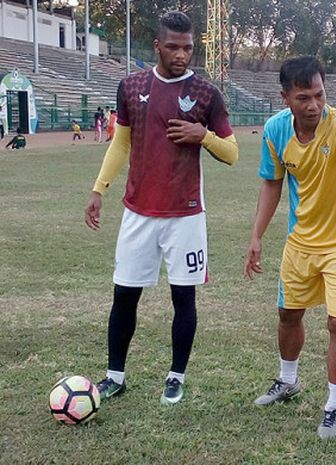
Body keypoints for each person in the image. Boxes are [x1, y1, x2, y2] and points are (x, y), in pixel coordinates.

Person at [83, 11, 239, 406]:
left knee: (183, 299)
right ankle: (115, 376)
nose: (181, 54)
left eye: (188, 47)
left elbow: (232, 153)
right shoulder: (131, 85)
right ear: (158, 45)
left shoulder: (206, 94)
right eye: (173, 47)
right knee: (124, 296)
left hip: (186, 215)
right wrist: (99, 189)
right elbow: (121, 143)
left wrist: (203, 135)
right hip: (138, 211)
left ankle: (175, 376)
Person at [244, 56, 336, 439]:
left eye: (319, 94)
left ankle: (334, 406)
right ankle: (287, 380)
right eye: (303, 97)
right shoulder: (276, 130)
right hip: (301, 240)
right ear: (285, 98)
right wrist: (257, 235)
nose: (313, 105)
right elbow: (271, 183)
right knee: (288, 315)